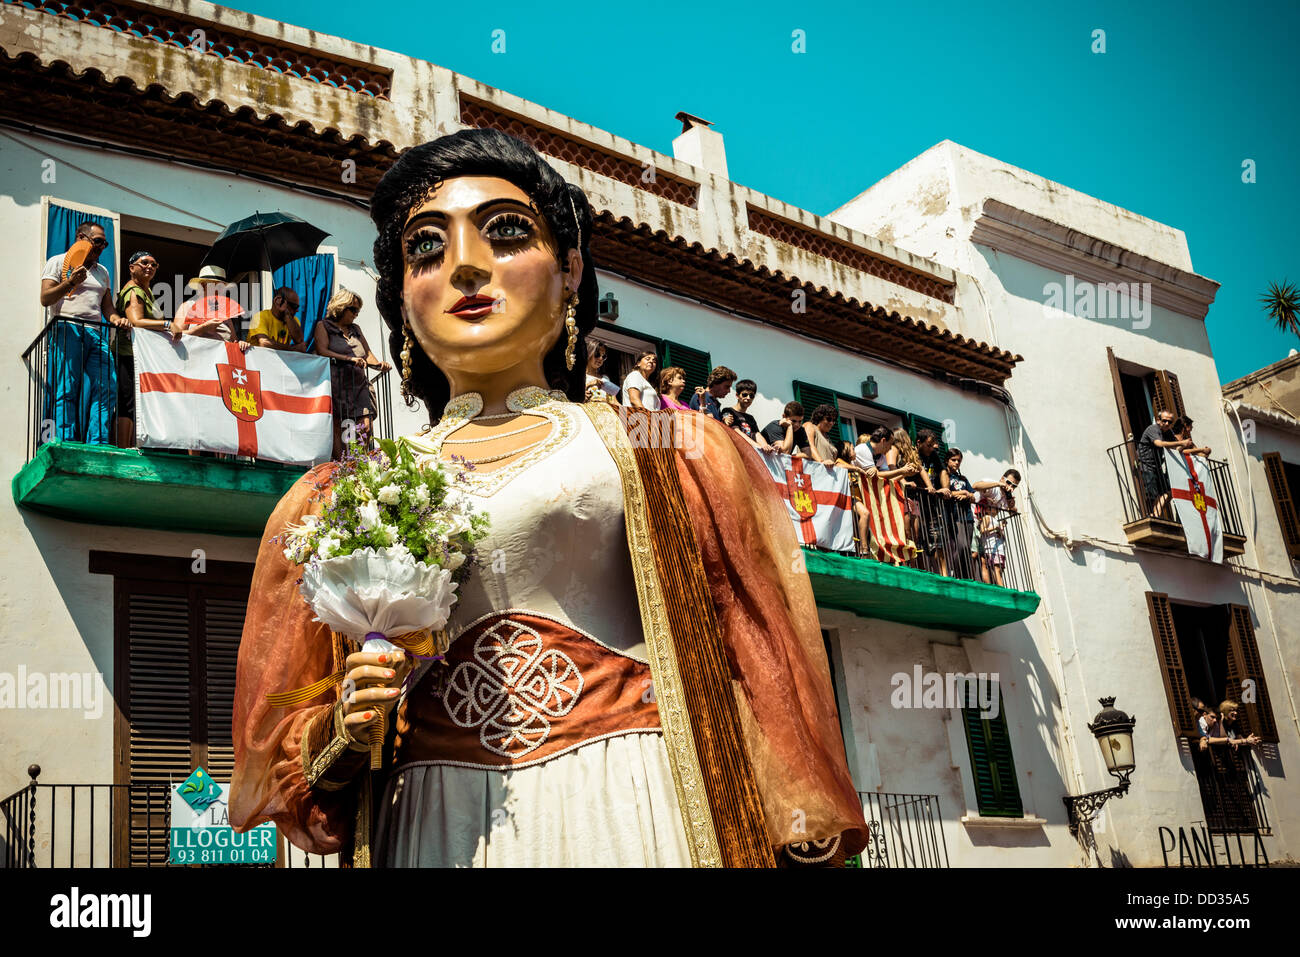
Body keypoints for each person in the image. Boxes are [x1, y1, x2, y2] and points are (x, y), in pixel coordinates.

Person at [230, 128, 866, 868]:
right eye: (427, 249)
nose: (465, 266)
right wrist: (345, 728)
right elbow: (300, 753)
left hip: (627, 794)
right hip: (438, 818)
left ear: (570, 272)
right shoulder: (350, 491)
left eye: (505, 233)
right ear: (402, 300)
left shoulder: (664, 451)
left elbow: (750, 653)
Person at [39, 221, 131, 444]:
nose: (102, 247)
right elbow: (45, 298)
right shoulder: (58, 261)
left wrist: (118, 319)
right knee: (67, 387)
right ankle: (66, 439)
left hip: (96, 333)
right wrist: (70, 282)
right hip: (67, 328)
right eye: (98, 241)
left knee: (106, 386)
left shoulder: (103, 271)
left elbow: (106, 307)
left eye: (105, 243)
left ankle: (97, 441)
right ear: (81, 238)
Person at [312, 288, 390, 458]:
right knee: (339, 426)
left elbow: (367, 354)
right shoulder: (323, 326)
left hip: (359, 385)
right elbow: (322, 350)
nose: (356, 314)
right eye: (353, 310)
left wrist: (379, 364)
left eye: (358, 311)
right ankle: (341, 467)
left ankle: (359, 464)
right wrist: (348, 358)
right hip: (337, 384)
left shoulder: (356, 328)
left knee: (365, 427)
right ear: (341, 307)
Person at [113, 251, 174, 447]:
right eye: (144, 262)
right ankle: (124, 449)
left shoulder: (147, 292)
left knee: (137, 402)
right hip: (128, 353)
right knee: (127, 402)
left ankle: (133, 445)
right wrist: (167, 325)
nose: (149, 266)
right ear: (131, 268)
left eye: (154, 264)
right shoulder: (134, 291)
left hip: (142, 355)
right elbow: (136, 321)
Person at [172, 264, 249, 347]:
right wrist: (203, 328)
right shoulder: (187, 306)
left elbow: (234, 341)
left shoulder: (225, 311)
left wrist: (241, 344)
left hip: (223, 358)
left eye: (221, 287)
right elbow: (176, 336)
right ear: (203, 286)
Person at [1136, 409, 1190, 519]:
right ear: (1158, 420)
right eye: (1164, 421)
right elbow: (1159, 443)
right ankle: (1151, 516)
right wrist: (1181, 442)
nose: (1167, 424)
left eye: (1170, 422)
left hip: (1157, 466)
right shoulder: (1153, 429)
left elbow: (1176, 448)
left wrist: (1187, 446)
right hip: (1146, 464)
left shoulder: (1168, 433)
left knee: (1169, 491)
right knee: (1151, 494)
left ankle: (1156, 514)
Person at [975, 469, 1021, 586]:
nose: (1010, 486)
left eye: (1014, 486)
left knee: (985, 560)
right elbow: (975, 485)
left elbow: (1012, 511)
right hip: (974, 521)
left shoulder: (1006, 497)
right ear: (1002, 478)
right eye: (1008, 482)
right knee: (975, 553)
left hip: (985, 530)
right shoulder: (993, 484)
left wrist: (1011, 500)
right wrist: (999, 484)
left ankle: (988, 585)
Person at [913, 429, 949, 575]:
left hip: (931, 504)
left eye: (932, 445)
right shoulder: (912, 454)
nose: (931, 448)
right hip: (916, 502)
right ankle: (921, 572)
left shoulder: (933, 455)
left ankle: (944, 574)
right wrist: (928, 487)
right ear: (919, 443)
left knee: (937, 540)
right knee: (918, 539)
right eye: (928, 445)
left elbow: (943, 471)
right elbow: (919, 471)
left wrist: (946, 488)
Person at [941, 448, 979, 579]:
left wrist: (967, 495)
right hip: (954, 515)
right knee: (960, 546)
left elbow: (974, 497)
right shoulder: (944, 475)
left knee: (967, 548)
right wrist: (962, 493)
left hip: (967, 516)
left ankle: (967, 576)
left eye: (959, 460)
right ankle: (957, 575)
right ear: (947, 460)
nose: (956, 463)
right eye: (953, 460)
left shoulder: (963, 478)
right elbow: (944, 492)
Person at [889, 427, 923, 549]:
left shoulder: (911, 452)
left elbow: (920, 469)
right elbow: (891, 467)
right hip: (901, 492)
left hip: (912, 495)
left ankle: (912, 561)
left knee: (915, 533)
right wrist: (904, 482)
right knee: (906, 530)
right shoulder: (893, 449)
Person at [247, 286, 306, 351]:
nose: (297, 310)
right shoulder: (260, 317)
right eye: (294, 306)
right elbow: (264, 343)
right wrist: (292, 348)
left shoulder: (293, 320)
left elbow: (300, 343)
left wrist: (287, 314)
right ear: (278, 301)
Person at [724, 379, 771, 449]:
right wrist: (757, 446)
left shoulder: (750, 418)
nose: (748, 398)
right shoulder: (728, 411)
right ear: (737, 395)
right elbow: (736, 431)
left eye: (751, 396)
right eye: (745, 395)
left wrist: (765, 446)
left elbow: (757, 434)